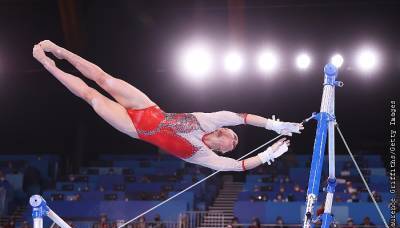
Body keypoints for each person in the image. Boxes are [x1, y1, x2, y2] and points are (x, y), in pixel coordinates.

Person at [33, 41, 303, 172]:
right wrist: (274, 124)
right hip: (149, 108)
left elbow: (238, 167)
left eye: (232, 147)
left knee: (91, 96)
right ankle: (61, 51)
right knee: (105, 78)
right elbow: (242, 118)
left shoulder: (203, 155)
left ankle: (48, 65)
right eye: (232, 140)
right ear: (224, 133)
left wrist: (268, 156)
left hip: (135, 129)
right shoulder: (211, 120)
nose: (232, 145)